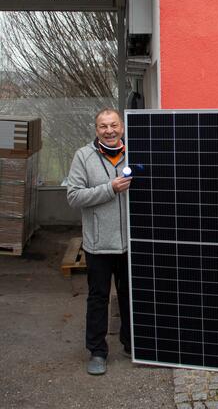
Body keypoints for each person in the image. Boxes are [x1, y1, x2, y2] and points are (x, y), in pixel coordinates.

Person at [67, 108, 132, 375]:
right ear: (96, 130)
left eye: (114, 125)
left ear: (122, 127)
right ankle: (97, 351)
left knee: (131, 296)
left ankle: (132, 344)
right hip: (98, 244)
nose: (110, 130)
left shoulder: (135, 152)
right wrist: (109, 189)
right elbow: (73, 196)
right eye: (103, 126)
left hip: (130, 242)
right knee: (98, 298)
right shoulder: (83, 156)